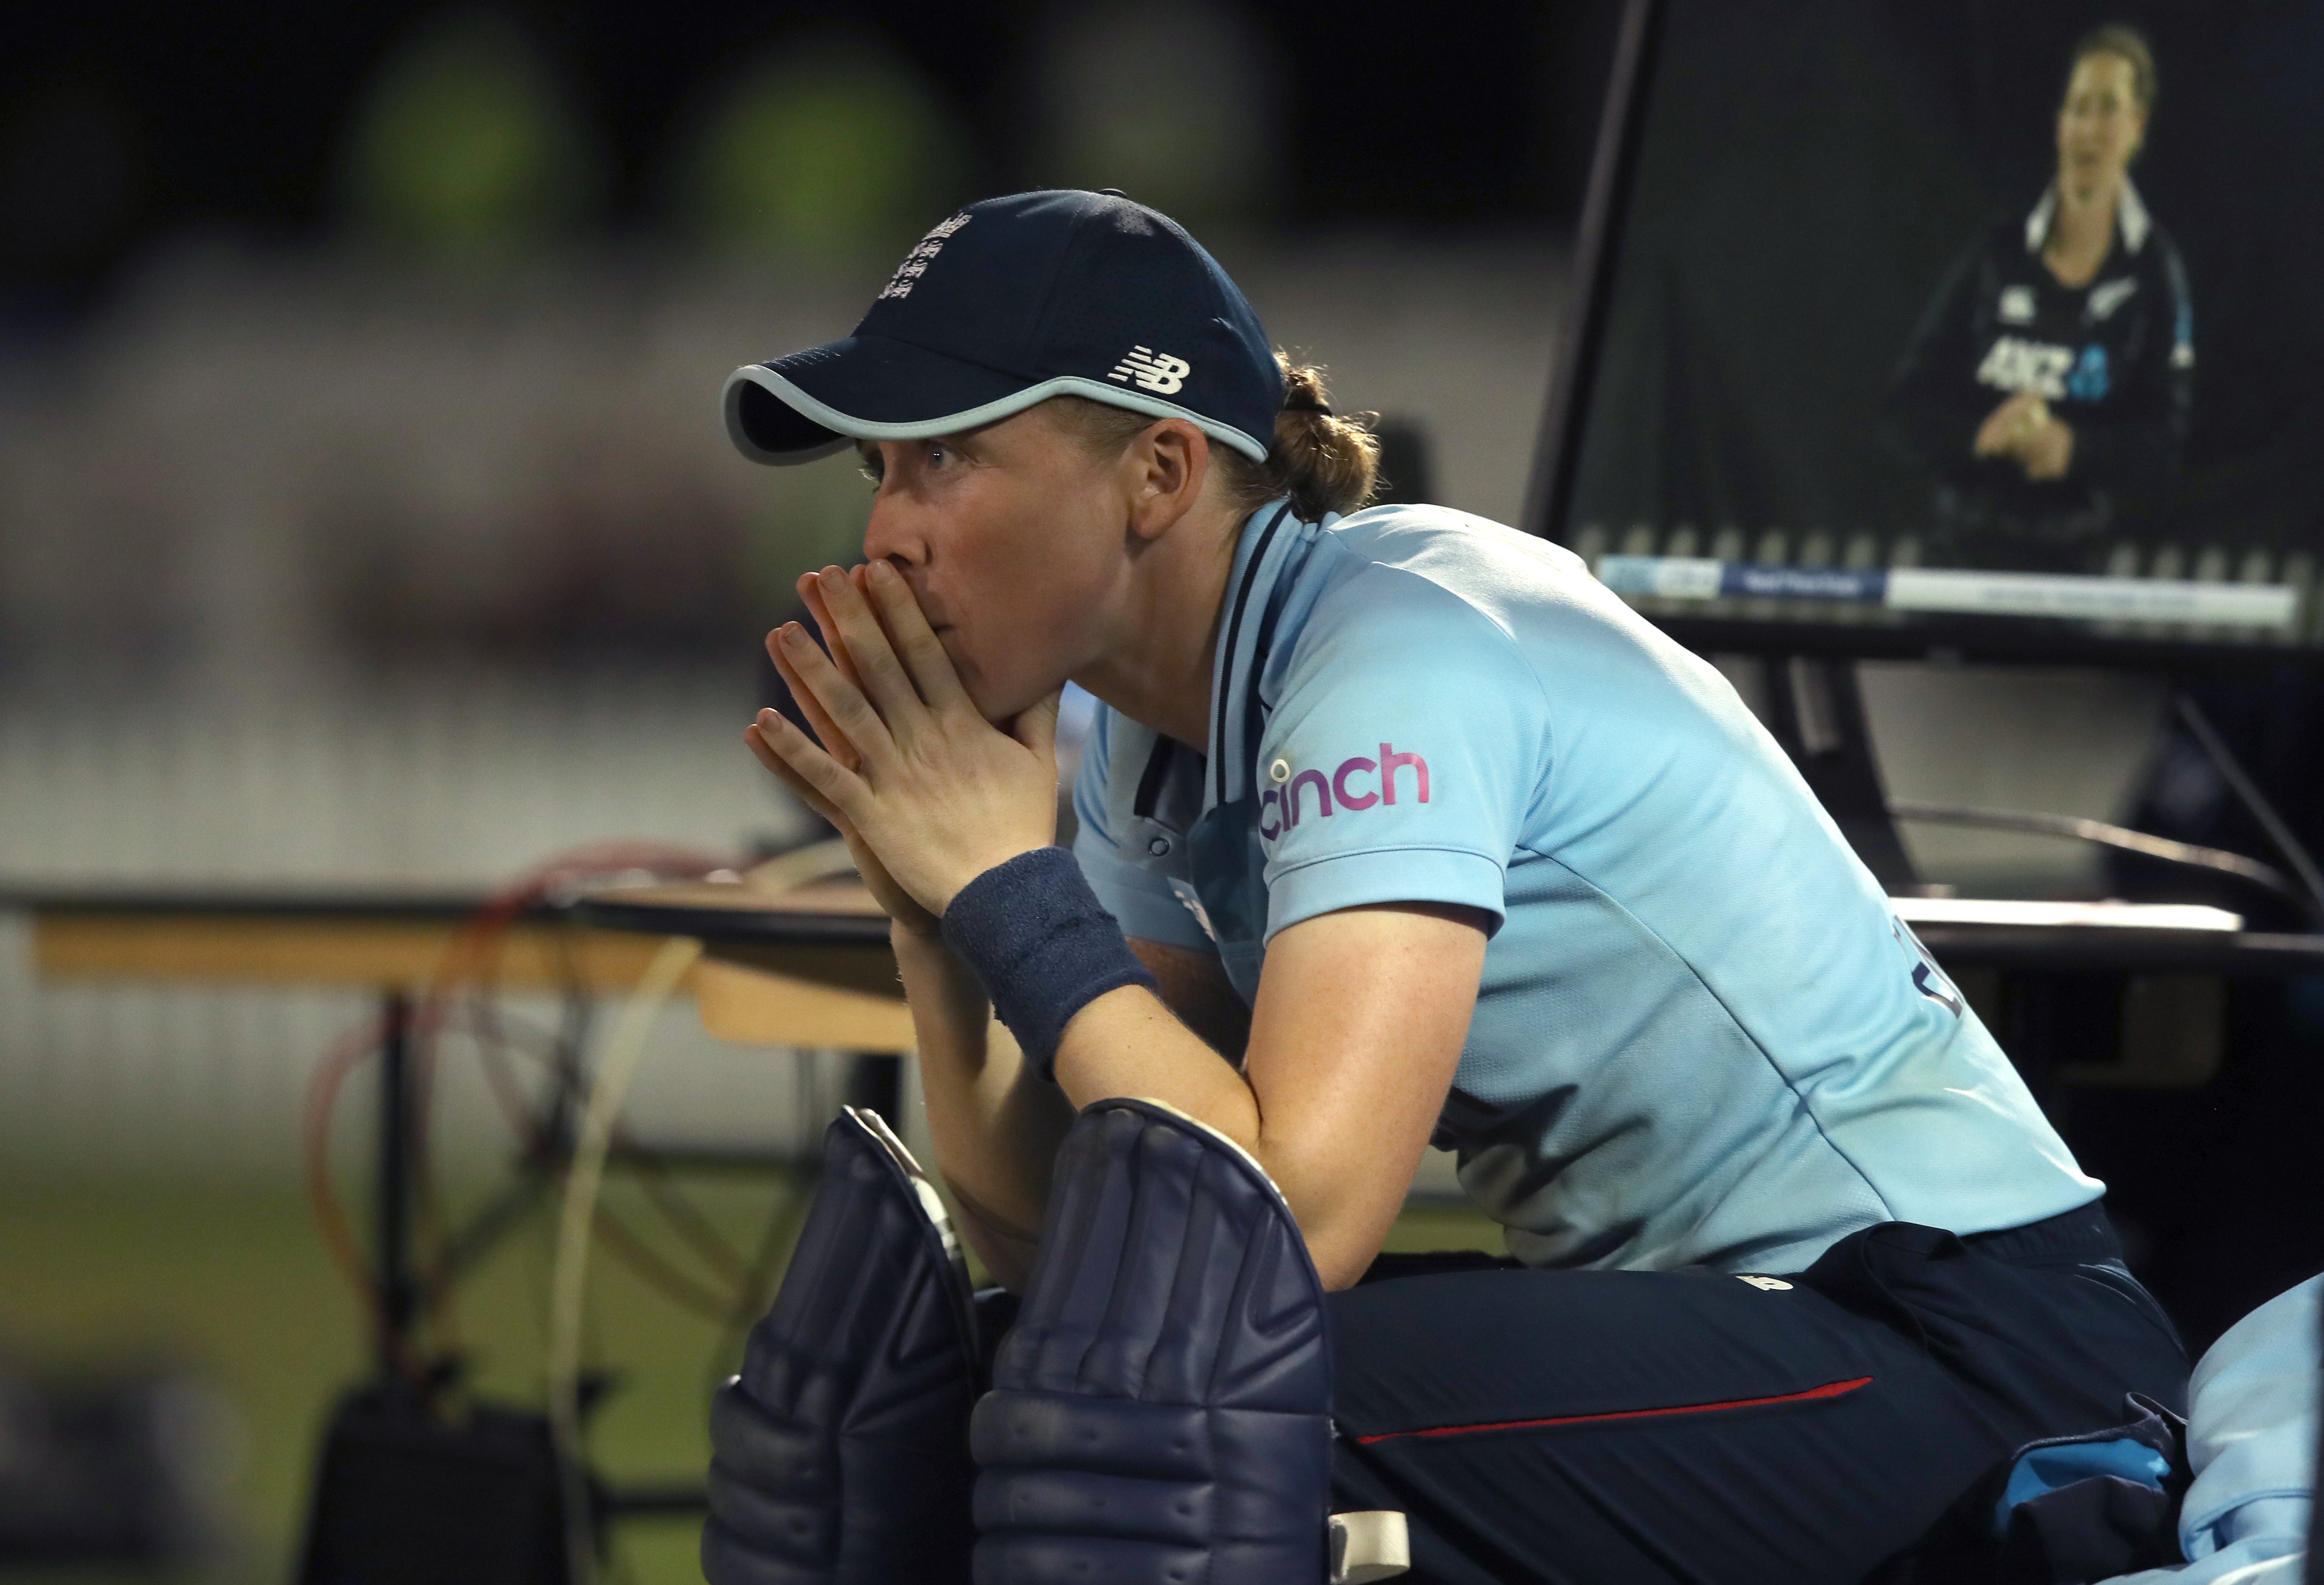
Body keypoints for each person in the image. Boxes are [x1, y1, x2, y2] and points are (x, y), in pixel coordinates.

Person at [713, 187, 2188, 1583]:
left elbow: (1292, 1221)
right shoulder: (1145, 731)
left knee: (1176, 1416)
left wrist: (1008, 886)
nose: (887, 531)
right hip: (1752, 1336)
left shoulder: (1395, 646)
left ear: (1157, 473)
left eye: (946, 456)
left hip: (1966, 1348)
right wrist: (937, 917)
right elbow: (1078, 1239)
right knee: (933, 1401)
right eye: (881, 471)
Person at [1885, 23, 2193, 572]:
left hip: (2075, 570)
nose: (2088, 129)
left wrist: (2074, 449)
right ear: (2058, 124)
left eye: (2107, 108)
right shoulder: (1996, 255)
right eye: (2077, 108)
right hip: (1962, 556)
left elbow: (2163, 445)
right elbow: (1908, 406)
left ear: (2137, 125)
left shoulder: (2154, 274)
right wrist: (1980, 435)